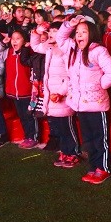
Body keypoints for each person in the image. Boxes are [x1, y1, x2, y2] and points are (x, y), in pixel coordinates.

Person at [56, 15, 111, 185]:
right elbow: (60, 38)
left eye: (83, 31)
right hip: (80, 105)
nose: (79, 35)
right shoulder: (72, 49)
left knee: (100, 139)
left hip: (97, 105)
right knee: (89, 140)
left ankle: (103, 169)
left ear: (92, 33)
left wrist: (99, 86)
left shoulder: (98, 51)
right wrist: (70, 24)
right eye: (77, 32)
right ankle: (93, 167)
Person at [30, 21, 81, 168]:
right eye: (50, 31)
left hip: (63, 96)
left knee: (67, 126)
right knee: (59, 127)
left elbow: (71, 75)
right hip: (51, 95)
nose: (51, 34)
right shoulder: (50, 47)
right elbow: (35, 46)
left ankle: (74, 153)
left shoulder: (67, 50)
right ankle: (65, 151)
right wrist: (37, 32)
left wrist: (61, 92)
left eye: (55, 31)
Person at [4, 29, 38, 149]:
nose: (14, 41)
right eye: (13, 39)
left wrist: (27, 48)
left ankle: (33, 137)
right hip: (14, 92)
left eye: (18, 38)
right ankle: (27, 136)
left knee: (30, 115)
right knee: (22, 116)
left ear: (24, 41)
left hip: (27, 92)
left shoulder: (29, 53)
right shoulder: (8, 52)